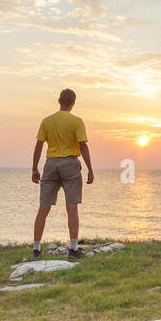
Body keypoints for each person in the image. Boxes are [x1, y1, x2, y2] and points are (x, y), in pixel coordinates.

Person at [31, 88, 94, 258]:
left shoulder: (47, 121)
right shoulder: (77, 121)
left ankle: (36, 249)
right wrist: (90, 169)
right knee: (71, 207)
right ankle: (73, 249)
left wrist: (34, 168)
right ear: (73, 103)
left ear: (59, 101)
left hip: (50, 164)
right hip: (70, 164)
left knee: (43, 207)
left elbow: (39, 146)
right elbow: (83, 146)